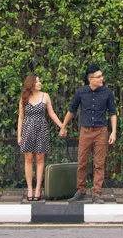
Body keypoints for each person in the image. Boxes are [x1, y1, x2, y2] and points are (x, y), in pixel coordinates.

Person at [59, 63, 117, 204]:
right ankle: (81, 190)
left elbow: (113, 112)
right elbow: (72, 109)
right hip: (85, 131)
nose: (102, 78)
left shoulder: (107, 92)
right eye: (99, 76)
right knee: (82, 162)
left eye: (102, 76)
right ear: (90, 79)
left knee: (99, 164)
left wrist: (113, 132)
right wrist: (63, 126)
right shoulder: (81, 92)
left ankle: (96, 193)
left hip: (101, 131)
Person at [17, 73, 64, 201]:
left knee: (40, 159)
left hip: (41, 129)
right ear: (31, 83)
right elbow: (21, 117)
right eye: (37, 81)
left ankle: (38, 188)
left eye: (39, 81)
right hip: (27, 130)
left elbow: (52, 113)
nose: (39, 83)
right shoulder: (24, 97)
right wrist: (19, 135)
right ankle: (29, 188)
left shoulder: (45, 96)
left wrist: (62, 126)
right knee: (28, 159)